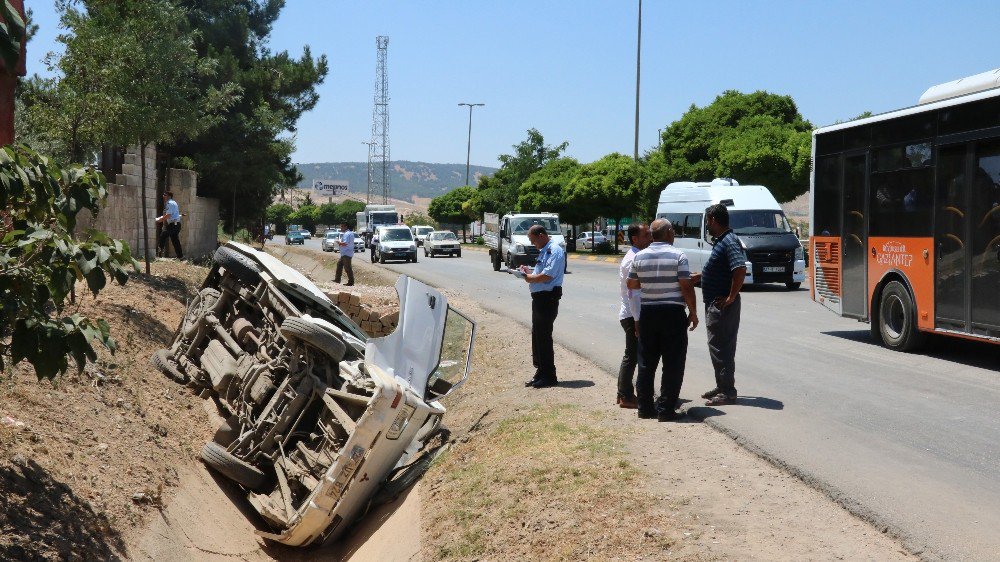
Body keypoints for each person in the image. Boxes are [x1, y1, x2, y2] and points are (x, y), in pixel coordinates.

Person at [626, 219, 698, 421]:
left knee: (646, 363)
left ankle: (645, 408)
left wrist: (650, 283)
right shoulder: (678, 255)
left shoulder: (639, 256)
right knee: (673, 363)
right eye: (672, 230)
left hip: (648, 312)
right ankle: (666, 410)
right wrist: (693, 312)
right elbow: (686, 286)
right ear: (668, 233)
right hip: (672, 313)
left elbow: (631, 283)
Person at [690, 204, 747, 407]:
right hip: (717, 303)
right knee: (718, 347)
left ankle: (727, 391)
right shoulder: (723, 241)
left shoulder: (729, 241)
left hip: (722, 306)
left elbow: (739, 268)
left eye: (707, 220)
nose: (707, 224)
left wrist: (731, 297)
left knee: (721, 347)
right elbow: (721, 269)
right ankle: (722, 386)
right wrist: (701, 277)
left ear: (713, 219)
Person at [518, 225, 566, 389]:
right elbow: (541, 270)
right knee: (537, 335)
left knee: (544, 336)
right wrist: (528, 271)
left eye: (533, 240)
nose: (533, 244)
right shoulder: (545, 250)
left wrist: (529, 278)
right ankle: (540, 371)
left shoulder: (554, 250)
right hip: (539, 298)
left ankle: (549, 375)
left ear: (540, 235)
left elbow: (547, 275)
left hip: (548, 298)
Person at [615, 223, 651, 409]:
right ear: (635, 238)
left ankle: (624, 392)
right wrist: (637, 320)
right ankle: (625, 395)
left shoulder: (637, 256)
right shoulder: (633, 259)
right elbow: (632, 293)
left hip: (633, 313)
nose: (651, 237)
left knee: (633, 354)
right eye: (646, 234)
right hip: (632, 314)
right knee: (632, 355)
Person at [156, 191, 183, 260]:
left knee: (163, 236)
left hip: (173, 225)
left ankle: (158, 255)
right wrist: (160, 218)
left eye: (165, 195)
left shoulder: (169, 203)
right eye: (163, 195)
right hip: (176, 224)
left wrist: (160, 220)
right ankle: (180, 256)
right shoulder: (173, 202)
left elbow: (168, 215)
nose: (163, 196)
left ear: (169, 196)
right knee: (175, 240)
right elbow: (171, 214)